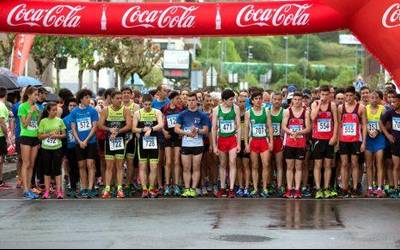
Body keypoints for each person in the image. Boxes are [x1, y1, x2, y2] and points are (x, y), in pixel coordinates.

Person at [175, 92, 210, 198]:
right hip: (186, 144)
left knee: (196, 167)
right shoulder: (182, 114)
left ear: (197, 101)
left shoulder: (202, 115)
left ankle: (193, 189)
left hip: (198, 145)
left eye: (193, 100)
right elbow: (176, 129)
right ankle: (187, 189)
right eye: (189, 100)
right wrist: (187, 133)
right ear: (186, 102)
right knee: (186, 168)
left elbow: (206, 130)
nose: (191, 102)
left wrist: (197, 130)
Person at [99, 90, 132, 199]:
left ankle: (119, 188)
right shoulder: (105, 110)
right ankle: (107, 188)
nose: (119, 100)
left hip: (120, 141)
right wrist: (109, 129)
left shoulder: (125, 110)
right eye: (117, 98)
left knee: (119, 166)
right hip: (109, 141)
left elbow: (129, 126)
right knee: (109, 166)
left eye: (120, 98)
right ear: (111, 99)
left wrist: (117, 131)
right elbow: (100, 125)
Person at [132, 94, 164, 198]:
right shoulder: (138, 113)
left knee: (154, 166)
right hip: (142, 142)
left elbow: (161, 125)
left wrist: (151, 129)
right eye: (145, 104)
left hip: (154, 141)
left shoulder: (157, 112)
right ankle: (144, 189)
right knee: (143, 166)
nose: (147, 106)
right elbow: (133, 129)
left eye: (149, 104)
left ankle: (151, 188)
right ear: (142, 104)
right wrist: (142, 130)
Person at [211, 89, 241, 198]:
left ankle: (231, 188)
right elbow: (214, 129)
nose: (232, 101)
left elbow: (238, 126)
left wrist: (239, 144)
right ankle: (223, 187)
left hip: (232, 139)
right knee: (223, 163)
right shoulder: (216, 110)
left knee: (232, 162)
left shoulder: (236, 108)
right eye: (230, 100)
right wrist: (214, 146)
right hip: (222, 140)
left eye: (233, 99)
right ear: (224, 100)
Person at [338, 86, 367, 198]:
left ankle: (354, 187)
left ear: (354, 95)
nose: (348, 98)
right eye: (347, 96)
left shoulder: (361, 108)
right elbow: (339, 124)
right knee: (344, 164)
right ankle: (345, 188)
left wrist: (364, 142)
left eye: (351, 96)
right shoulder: (341, 108)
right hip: (344, 140)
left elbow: (364, 125)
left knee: (355, 164)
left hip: (356, 140)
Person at [311, 85, 339, 199]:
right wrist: (319, 105)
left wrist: (334, 137)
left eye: (326, 95)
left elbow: (336, 122)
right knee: (318, 165)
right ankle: (318, 188)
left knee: (327, 165)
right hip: (317, 138)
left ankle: (326, 188)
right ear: (319, 94)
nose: (324, 97)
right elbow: (313, 117)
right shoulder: (314, 104)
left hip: (328, 139)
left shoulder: (332, 105)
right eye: (322, 94)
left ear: (330, 95)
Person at [70, 89, 99, 199]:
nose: (88, 99)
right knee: (81, 165)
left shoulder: (92, 111)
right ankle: (84, 188)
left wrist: (86, 140)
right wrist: (79, 141)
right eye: (86, 97)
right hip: (79, 142)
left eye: (89, 97)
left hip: (90, 142)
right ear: (81, 99)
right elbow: (73, 128)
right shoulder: (74, 112)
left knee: (90, 164)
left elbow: (94, 127)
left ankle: (91, 188)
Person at [244, 91, 273, 198]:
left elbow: (269, 127)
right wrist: (246, 144)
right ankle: (255, 188)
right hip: (253, 141)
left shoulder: (266, 111)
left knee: (266, 164)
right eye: (256, 99)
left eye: (260, 98)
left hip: (264, 141)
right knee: (254, 165)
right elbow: (246, 129)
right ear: (252, 101)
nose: (258, 100)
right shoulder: (248, 112)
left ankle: (264, 188)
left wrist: (271, 142)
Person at [282, 92, 311, 199]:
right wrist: (291, 132)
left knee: (299, 167)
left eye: (299, 99)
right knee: (289, 167)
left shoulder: (306, 112)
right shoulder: (287, 111)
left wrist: (298, 133)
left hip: (300, 143)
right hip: (289, 143)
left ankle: (297, 189)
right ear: (292, 100)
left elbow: (308, 128)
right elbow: (283, 126)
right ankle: (289, 189)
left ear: (302, 100)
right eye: (295, 99)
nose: (297, 101)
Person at [38, 103, 66, 199]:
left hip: (57, 147)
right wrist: (49, 134)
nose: (55, 112)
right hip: (46, 148)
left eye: (56, 110)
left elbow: (64, 135)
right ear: (48, 111)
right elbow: (39, 136)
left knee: (57, 170)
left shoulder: (60, 120)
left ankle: (58, 191)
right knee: (47, 170)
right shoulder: (43, 121)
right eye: (53, 110)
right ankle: (47, 191)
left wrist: (57, 136)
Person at [18, 87, 41, 199]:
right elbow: (25, 124)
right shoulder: (22, 107)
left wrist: (38, 113)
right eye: (35, 95)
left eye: (38, 95)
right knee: (26, 163)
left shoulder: (36, 107)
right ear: (29, 95)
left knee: (32, 164)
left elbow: (36, 123)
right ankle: (25, 189)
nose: (37, 97)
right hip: (26, 136)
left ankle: (30, 188)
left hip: (35, 137)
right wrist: (31, 112)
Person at [162, 91, 184, 197]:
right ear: (172, 99)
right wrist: (164, 131)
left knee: (176, 161)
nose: (179, 100)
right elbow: (161, 122)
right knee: (168, 161)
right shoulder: (165, 108)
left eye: (180, 98)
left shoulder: (181, 109)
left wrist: (181, 131)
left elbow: (183, 122)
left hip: (177, 137)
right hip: (168, 136)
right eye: (177, 98)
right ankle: (167, 185)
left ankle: (175, 184)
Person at [365, 91, 386, 198]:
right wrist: (369, 131)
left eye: (376, 97)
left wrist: (377, 131)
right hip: (368, 138)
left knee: (379, 163)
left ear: (379, 99)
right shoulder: (365, 108)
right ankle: (369, 187)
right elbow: (363, 122)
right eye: (372, 97)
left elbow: (386, 124)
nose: (374, 99)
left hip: (379, 138)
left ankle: (379, 188)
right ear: (369, 99)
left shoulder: (383, 109)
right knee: (369, 164)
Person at [121, 86, 140, 196]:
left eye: (128, 93)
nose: (126, 94)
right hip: (120, 136)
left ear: (131, 94)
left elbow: (136, 121)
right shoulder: (118, 105)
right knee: (119, 162)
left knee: (130, 161)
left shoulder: (136, 106)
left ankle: (128, 184)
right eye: (124, 93)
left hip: (132, 137)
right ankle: (119, 184)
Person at [380, 93, 400, 198]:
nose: (392, 103)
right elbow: (380, 122)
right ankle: (396, 188)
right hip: (395, 143)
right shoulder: (390, 113)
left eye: (395, 101)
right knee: (396, 166)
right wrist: (388, 135)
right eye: (391, 102)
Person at [63, 98, 79, 198]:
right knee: (72, 167)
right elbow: (63, 135)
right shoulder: (65, 119)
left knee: (80, 166)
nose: (72, 107)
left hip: (80, 145)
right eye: (70, 106)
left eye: (74, 105)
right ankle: (73, 186)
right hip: (70, 146)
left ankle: (82, 185)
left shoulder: (81, 116)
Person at [270, 92, 285, 197]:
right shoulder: (267, 111)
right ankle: (270, 184)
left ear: (282, 100)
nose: (276, 101)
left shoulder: (284, 112)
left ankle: (279, 186)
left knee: (279, 164)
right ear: (271, 100)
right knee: (268, 164)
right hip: (269, 140)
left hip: (279, 140)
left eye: (279, 99)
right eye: (275, 99)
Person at [235, 94, 251, 197]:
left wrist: (247, 143)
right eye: (240, 102)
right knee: (238, 166)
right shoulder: (235, 114)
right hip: (236, 142)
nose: (242, 104)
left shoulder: (248, 113)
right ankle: (240, 186)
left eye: (244, 102)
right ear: (237, 102)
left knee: (246, 166)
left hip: (246, 142)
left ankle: (246, 187)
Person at [0, 87, 9, 187]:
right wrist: (7, 135)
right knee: (1, 159)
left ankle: (1, 180)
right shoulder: (1, 106)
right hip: (1, 135)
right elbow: (2, 122)